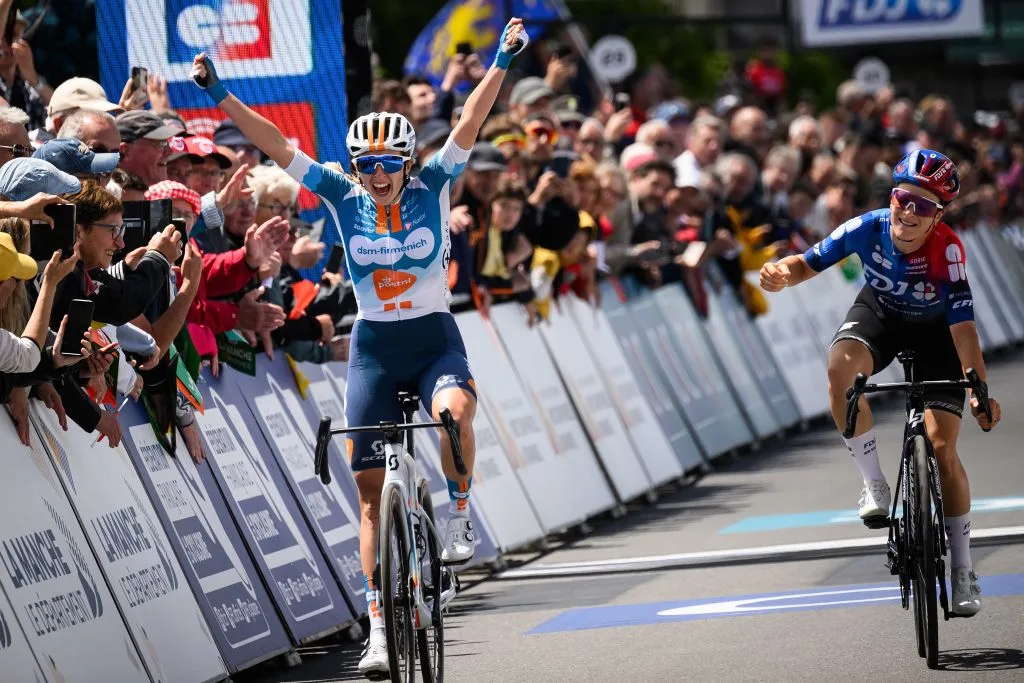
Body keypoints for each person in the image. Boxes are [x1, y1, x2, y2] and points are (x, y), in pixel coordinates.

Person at [190, 16, 529, 678]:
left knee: (455, 413)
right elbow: (274, 142)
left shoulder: (435, 183)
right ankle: (379, 627)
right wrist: (221, 95)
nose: (378, 175)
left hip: (433, 339)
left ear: (406, 162)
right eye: (368, 165)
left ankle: (459, 511)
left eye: (388, 165)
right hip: (374, 346)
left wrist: (504, 60)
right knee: (369, 493)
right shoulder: (342, 195)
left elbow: (471, 121)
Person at [758, 149, 1003, 617]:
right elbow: (806, 263)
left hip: (938, 337)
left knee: (942, 446)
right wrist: (780, 275)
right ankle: (874, 484)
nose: (909, 213)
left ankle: (963, 568)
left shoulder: (948, 250)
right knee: (838, 370)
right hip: (882, 316)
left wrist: (978, 390)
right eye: (903, 199)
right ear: (891, 197)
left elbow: (964, 330)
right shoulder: (866, 227)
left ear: (938, 217)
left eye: (924, 207)